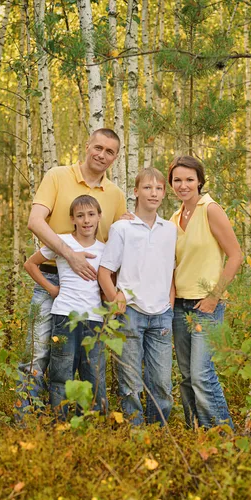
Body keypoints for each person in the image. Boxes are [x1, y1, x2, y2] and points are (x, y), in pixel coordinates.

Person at [16, 129, 126, 413]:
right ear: (87, 145)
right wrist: (70, 256)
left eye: (110, 151)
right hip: (53, 278)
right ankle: (26, 420)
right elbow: (35, 221)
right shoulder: (57, 176)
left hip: (92, 291)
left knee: (89, 362)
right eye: (98, 147)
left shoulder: (115, 195)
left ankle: (87, 421)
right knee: (37, 354)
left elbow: (119, 245)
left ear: (115, 157)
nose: (102, 155)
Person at [168, 155, 243, 429]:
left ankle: (225, 438)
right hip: (179, 308)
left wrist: (213, 297)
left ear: (199, 181)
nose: (183, 185)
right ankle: (195, 435)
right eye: (177, 180)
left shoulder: (210, 209)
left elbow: (236, 255)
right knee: (186, 376)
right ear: (171, 184)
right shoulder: (174, 218)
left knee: (202, 375)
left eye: (189, 179)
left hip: (206, 306)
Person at [98, 168, 177, 426]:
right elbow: (104, 271)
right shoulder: (122, 228)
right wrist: (114, 301)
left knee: (162, 383)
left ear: (164, 194)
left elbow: (171, 271)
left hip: (162, 315)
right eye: (147, 187)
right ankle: (135, 435)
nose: (153, 193)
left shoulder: (170, 229)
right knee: (130, 383)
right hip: (130, 313)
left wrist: (170, 304)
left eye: (158, 188)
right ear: (135, 192)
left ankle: (159, 433)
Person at [24, 195, 107, 419]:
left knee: (94, 376)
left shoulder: (105, 248)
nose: (86, 220)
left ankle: (90, 425)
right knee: (61, 373)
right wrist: (52, 289)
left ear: (100, 217)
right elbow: (30, 264)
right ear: (72, 219)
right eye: (80, 216)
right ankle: (58, 423)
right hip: (64, 317)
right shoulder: (62, 243)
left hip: (94, 321)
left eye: (91, 215)